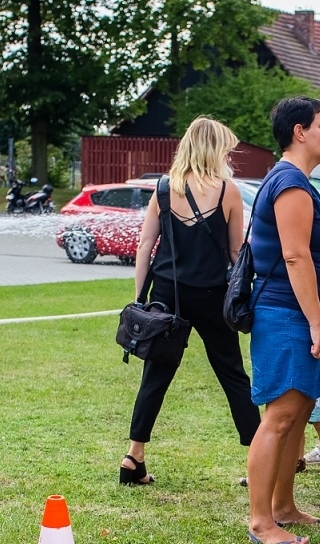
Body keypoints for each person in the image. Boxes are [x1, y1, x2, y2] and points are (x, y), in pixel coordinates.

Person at [122, 116, 258, 485]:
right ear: (215, 150)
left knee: (156, 376)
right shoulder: (228, 190)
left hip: (167, 295)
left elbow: (145, 247)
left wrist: (140, 298)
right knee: (232, 375)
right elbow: (235, 252)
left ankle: (134, 456)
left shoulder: (164, 189)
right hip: (213, 296)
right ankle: (258, 460)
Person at [245, 97, 320, 544]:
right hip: (287, 314)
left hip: (299, 314)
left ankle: (284, 506)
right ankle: (262, 522)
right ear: (299, 132)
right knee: (281, 417)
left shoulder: (299, 181)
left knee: (299, 415)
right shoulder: (289, 183)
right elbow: (295, 255)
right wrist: (316, 326)